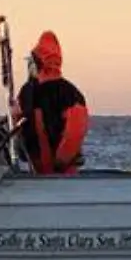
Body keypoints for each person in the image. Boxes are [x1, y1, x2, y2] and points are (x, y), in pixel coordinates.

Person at [11, 31, 89, 175]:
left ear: (36, 62)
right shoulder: (70, 93)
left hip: (48, 173)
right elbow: (76, 130)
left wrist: (61, 161)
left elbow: (16, 122)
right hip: (51, 173)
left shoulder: (27, 92)